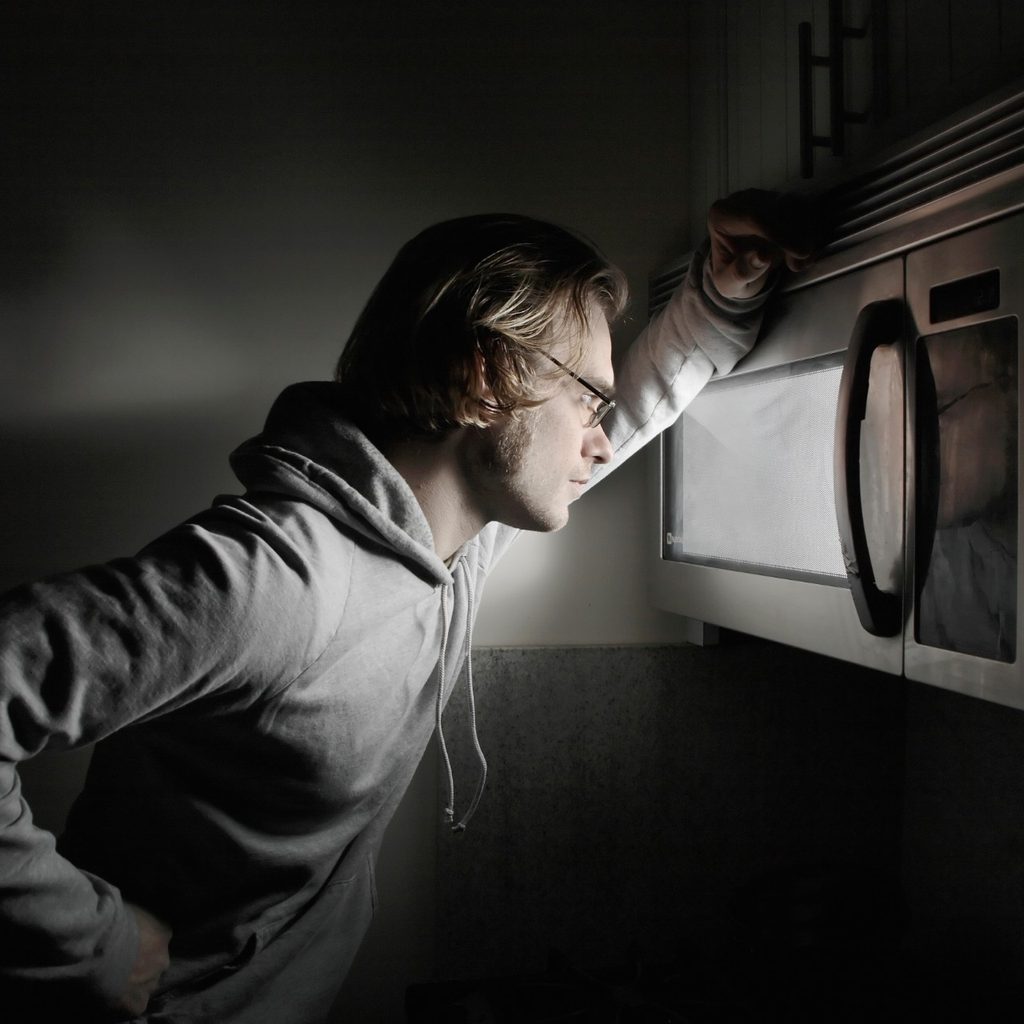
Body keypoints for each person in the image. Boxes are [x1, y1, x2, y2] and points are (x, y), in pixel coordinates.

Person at [0, 190, 813, 1022]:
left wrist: (722, 300)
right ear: (487, 379)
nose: (600, 438)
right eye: (585, 404)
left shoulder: (450, 544)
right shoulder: (275, 581)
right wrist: (93, 944)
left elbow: (630, 411)